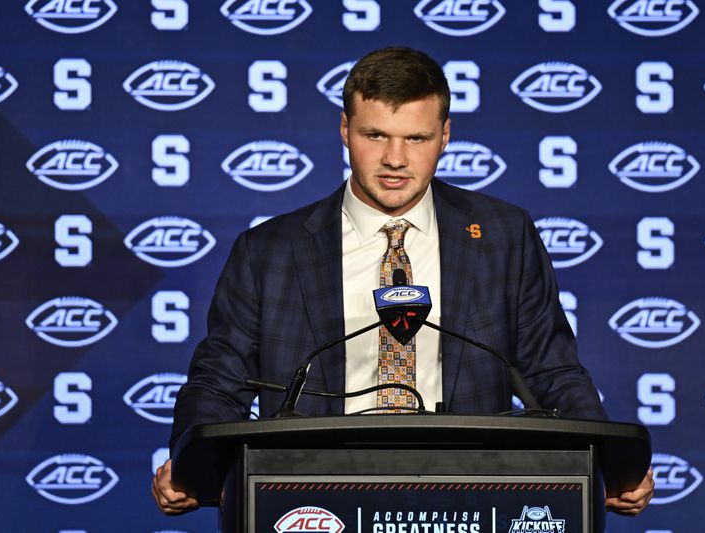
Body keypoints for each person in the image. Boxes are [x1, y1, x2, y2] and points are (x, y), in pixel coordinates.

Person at [152, 46, 653, 518]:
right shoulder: (269, 250)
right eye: (376, 136)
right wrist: (193, 464)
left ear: (445, 135)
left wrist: (609, 467)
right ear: (345, 130)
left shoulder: (503, 234)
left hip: (470, 497)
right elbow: (221, 380)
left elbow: (550, 369)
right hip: (312, 500)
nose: (396, 159)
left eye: (416, 138)